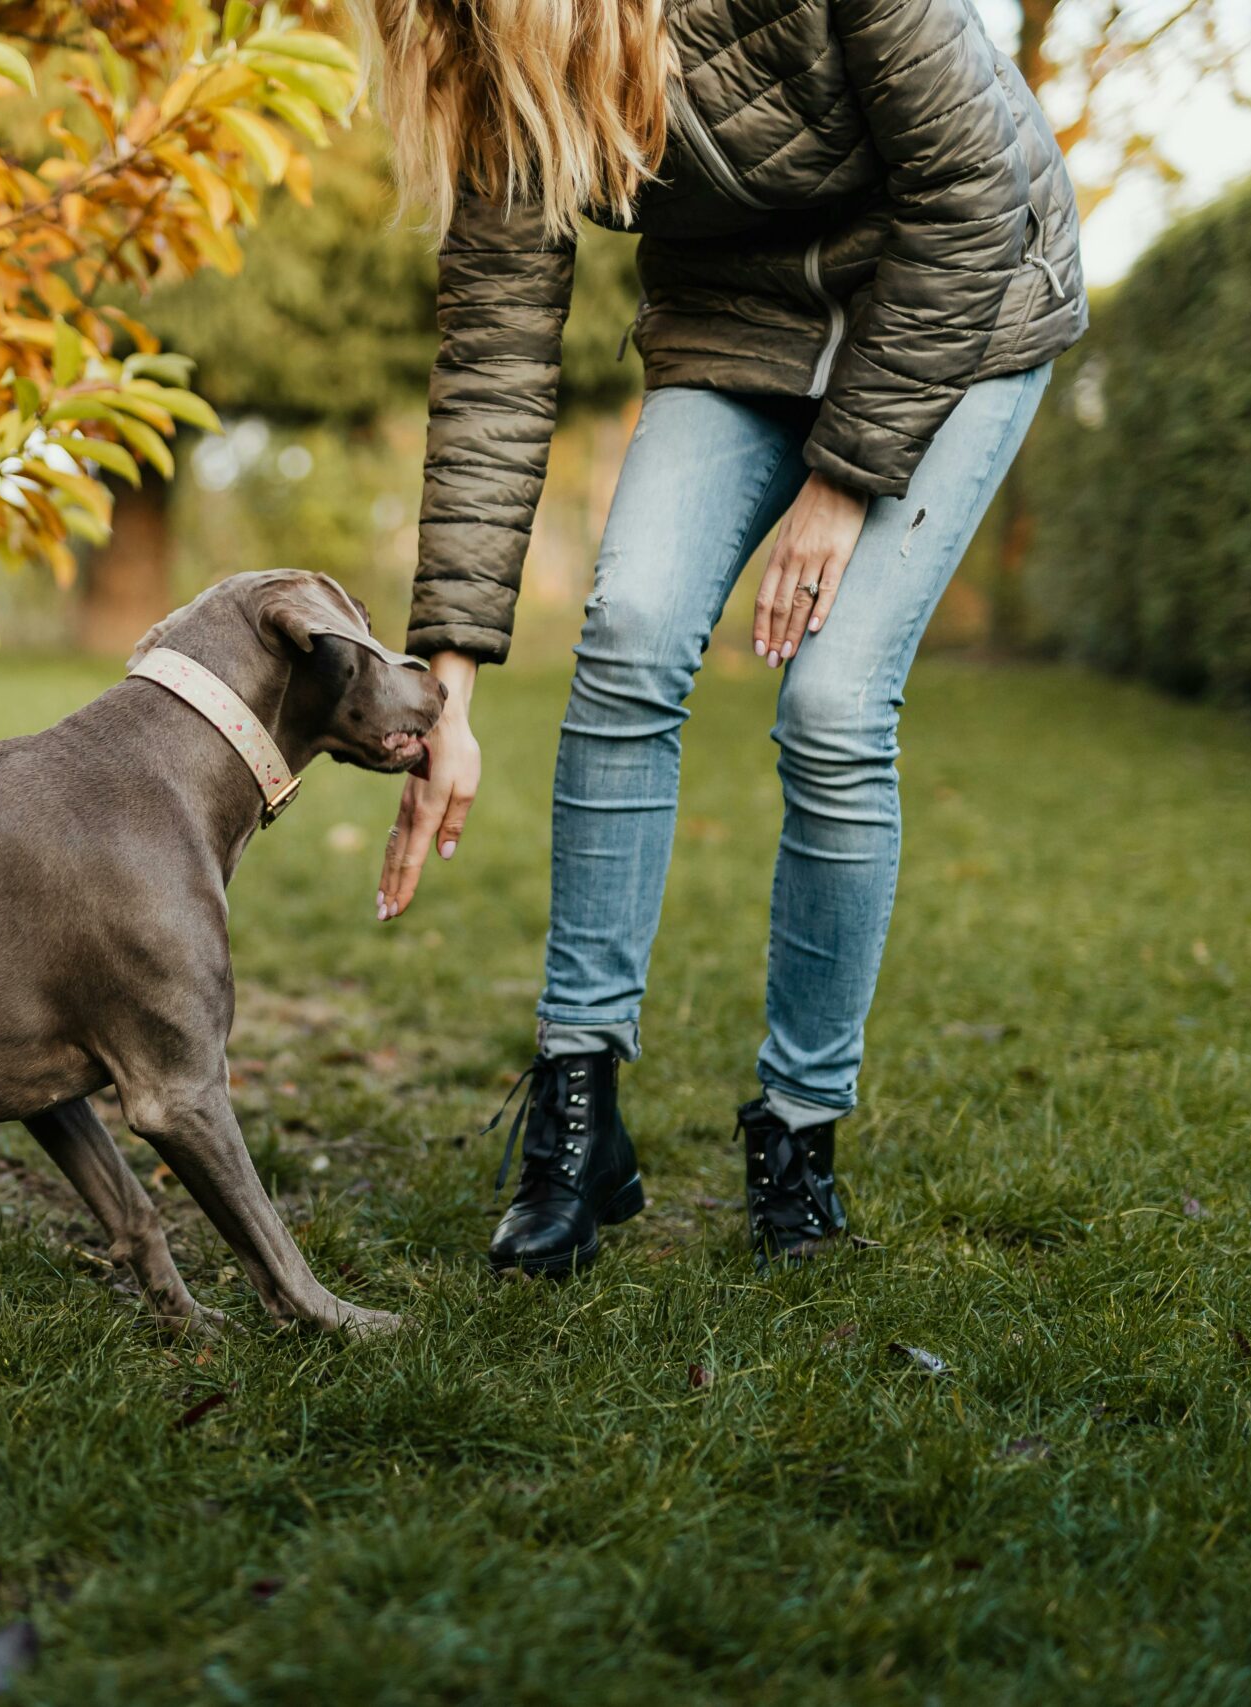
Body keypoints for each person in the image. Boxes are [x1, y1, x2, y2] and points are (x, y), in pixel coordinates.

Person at [362, 0, 1087, 1275]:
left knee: (834, 703)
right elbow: (494, 359)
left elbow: (971, 196)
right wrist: (449, 687)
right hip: (740, 320)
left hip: (965, 294)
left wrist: (842, 480)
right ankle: (576, 1126)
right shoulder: (497, 50)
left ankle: (797, 1143)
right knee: (630, 630)